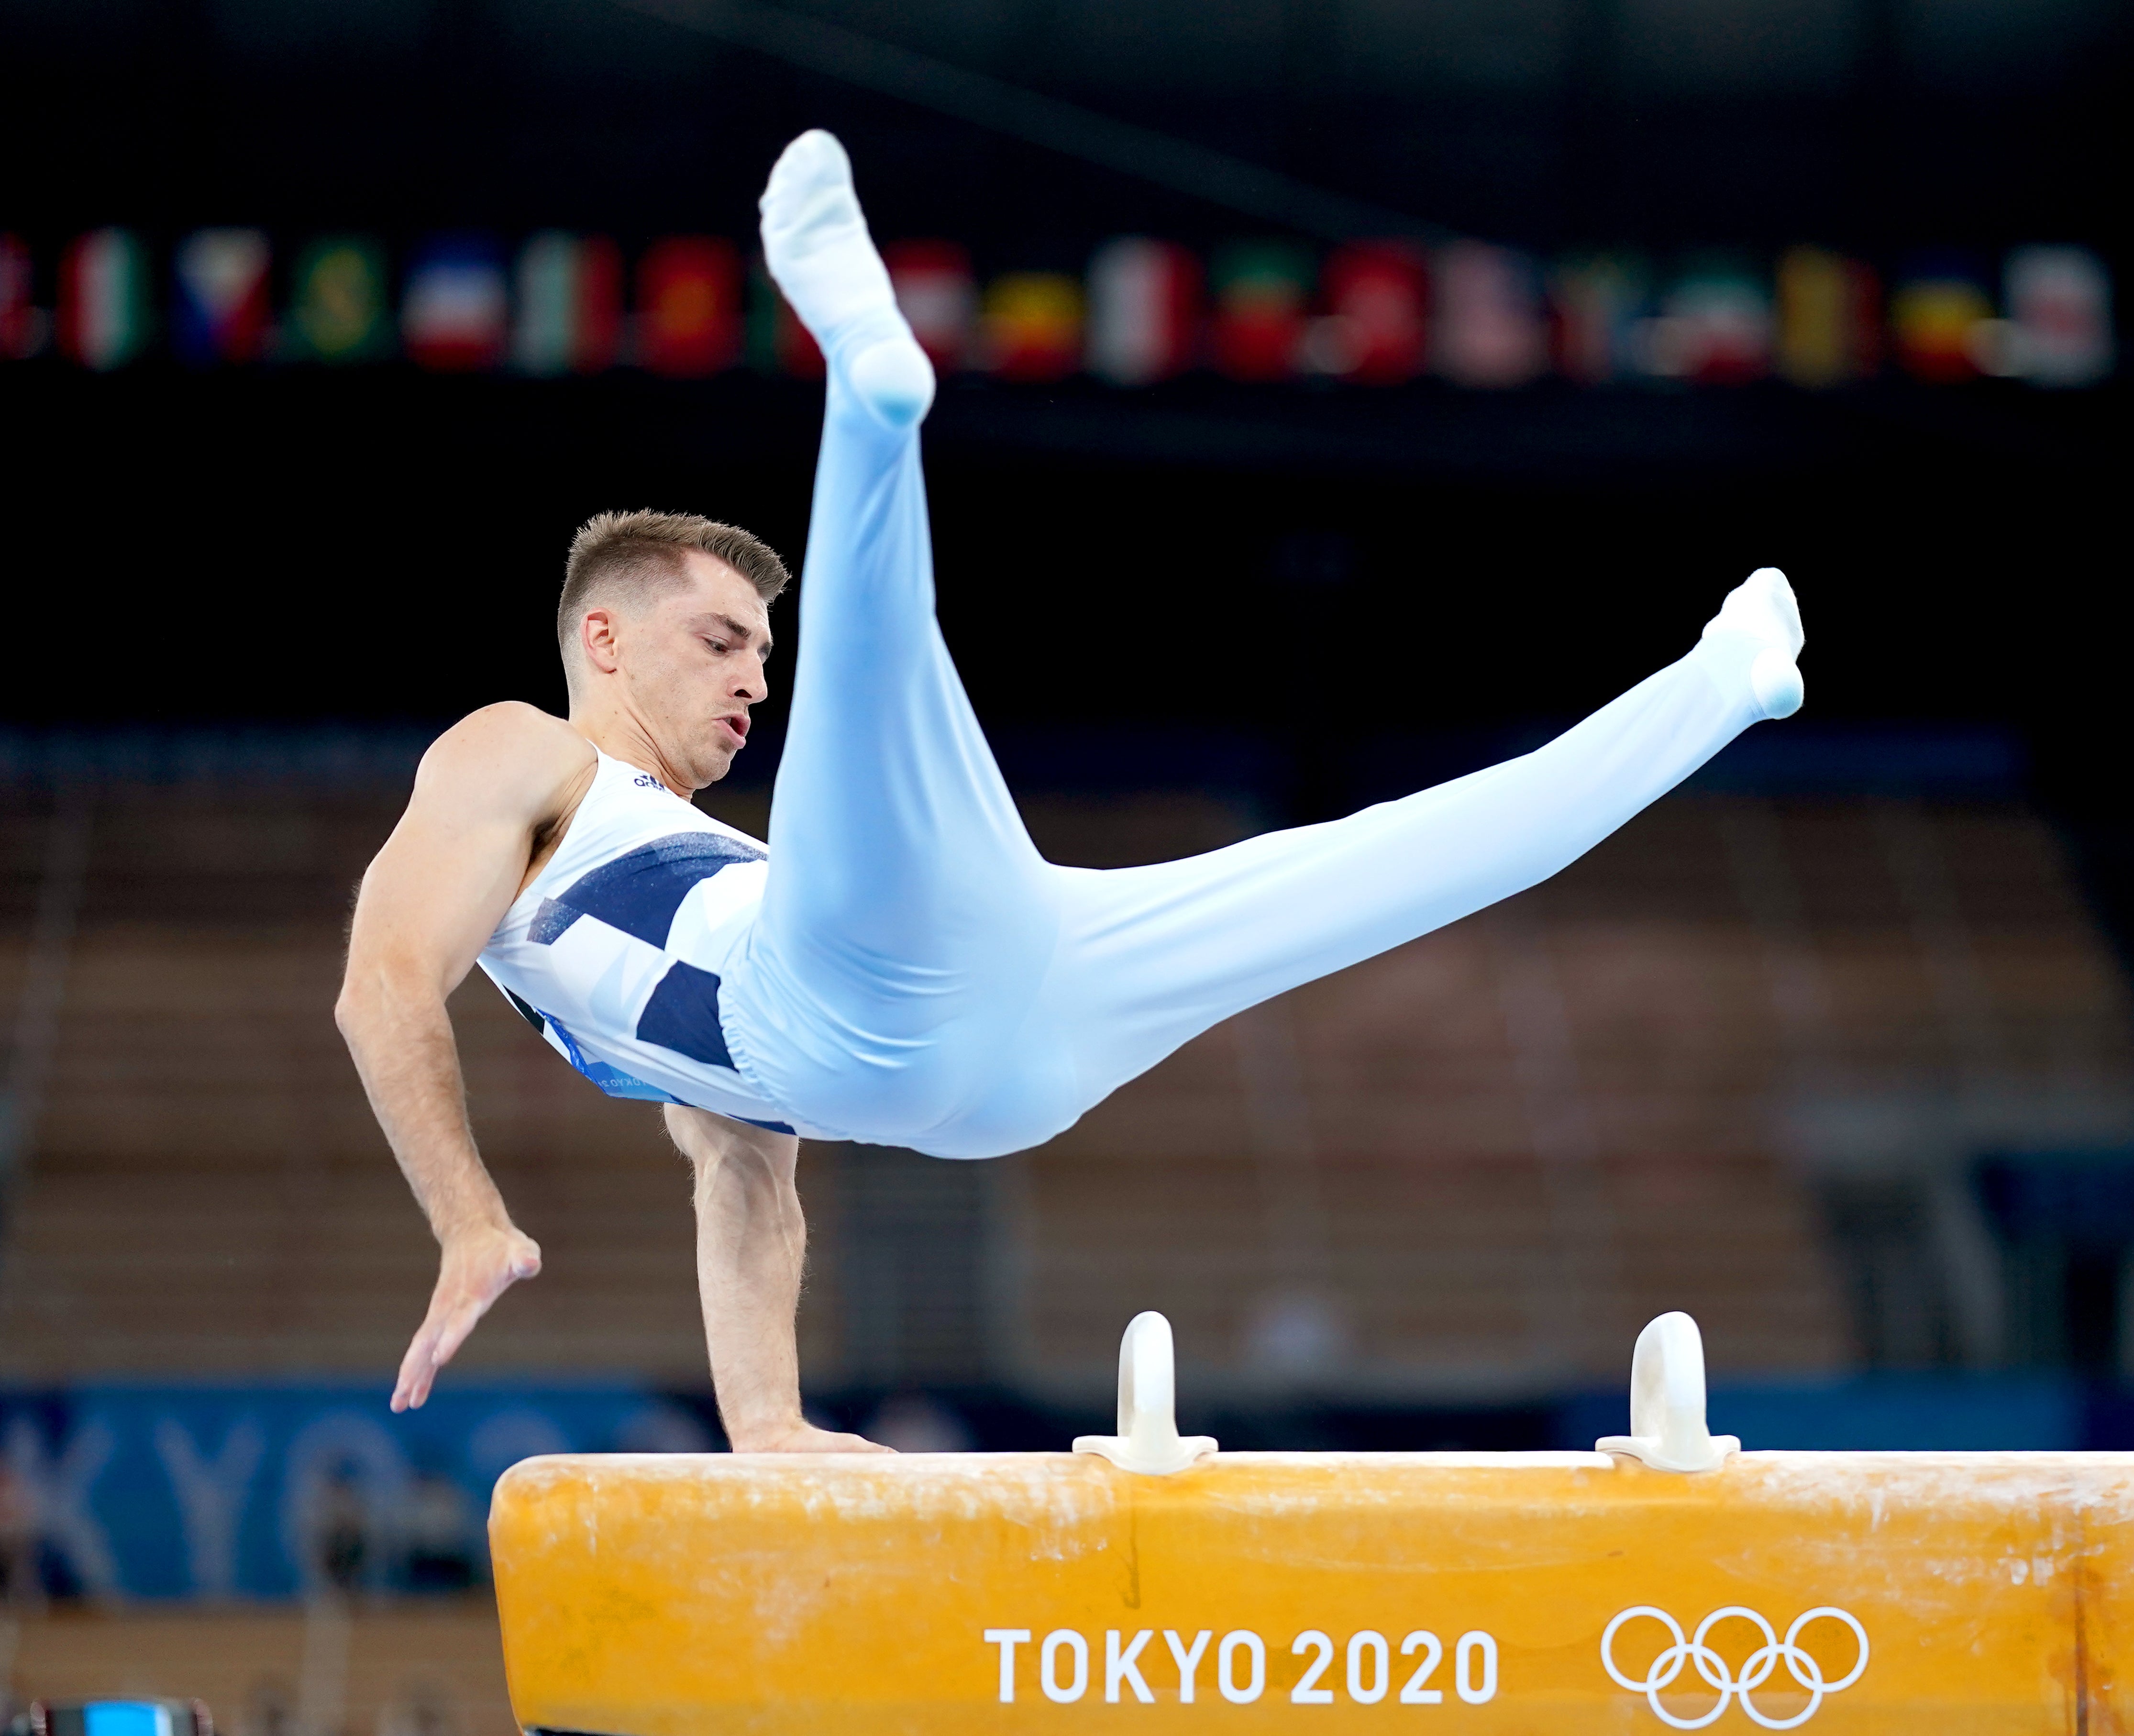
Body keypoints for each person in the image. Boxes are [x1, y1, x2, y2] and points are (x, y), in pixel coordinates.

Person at [334, 131, 1808, 1452]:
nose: (751, 679)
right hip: (895, 1044)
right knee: (875, 671)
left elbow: (750, 1186)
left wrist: (768, 1420)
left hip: (976, 998)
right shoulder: (517, 748)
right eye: (720, 641)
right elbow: (386, 984)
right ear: (601, 635)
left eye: (760, 653)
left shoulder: (703, 859)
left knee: (1400, 864)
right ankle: (872, 393)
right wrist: (470, 1225)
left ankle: (1727, 679)